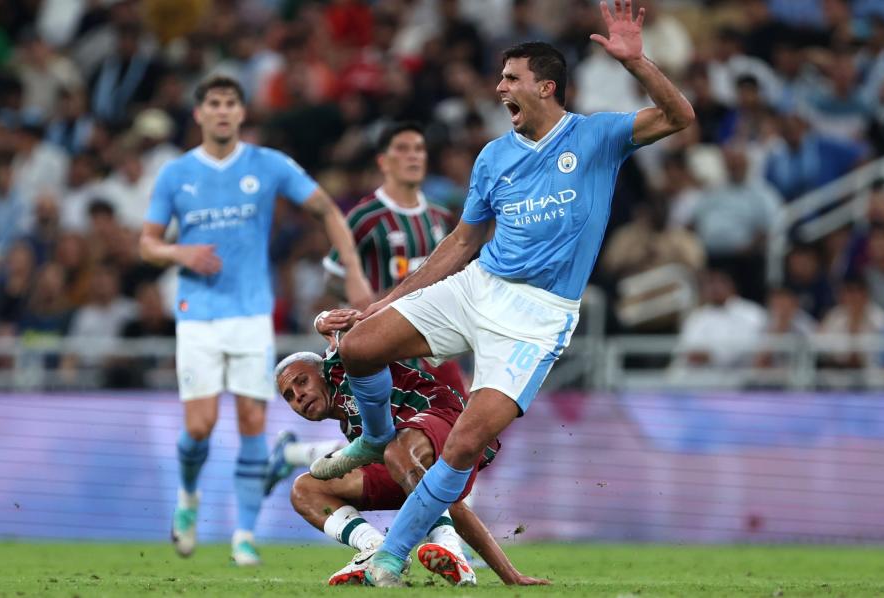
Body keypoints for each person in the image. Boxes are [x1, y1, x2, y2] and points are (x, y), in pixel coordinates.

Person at [310, 1, 695, 586]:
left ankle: (389, 558)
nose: (499, 88)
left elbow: (679, 115)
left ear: (546, 86)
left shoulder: (596, 137)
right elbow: (462, 240)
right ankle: (376, 439)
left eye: (511, 79)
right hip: (479, 284)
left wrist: (637, 62)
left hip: (537, 318)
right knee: (358, 347)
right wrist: (382, 304)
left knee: (463, 443)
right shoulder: (494, 157)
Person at [138, 74, 372, 566]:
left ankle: (243, 535)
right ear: (199, 114)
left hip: (250, 316)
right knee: (199, 426)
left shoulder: (267, 165)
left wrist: (352, 270)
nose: (222, 112)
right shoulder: (176, 173)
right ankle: (187, 497)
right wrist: (181, 251)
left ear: (242, 113)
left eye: (231, 104)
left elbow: (326, 209)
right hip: (198, 314)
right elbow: (147, 243)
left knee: (251, 424)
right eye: (213, 104)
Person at [267, 309, 546, 587]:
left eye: (302, 381)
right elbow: (449, 503)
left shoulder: (338, 365)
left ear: (322, 373)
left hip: (444, 415)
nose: (299, 395)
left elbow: (361, 327)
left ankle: (443, 546)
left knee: (398, 452)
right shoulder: (351, 426)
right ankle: (375, 549)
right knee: (306, 489)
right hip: (407, 457)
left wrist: (322, 319)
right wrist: (511, 577)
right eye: (289, 396)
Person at [321, 120, 467, 394]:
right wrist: (370, 302)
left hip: (433, 350)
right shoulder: (365, 217)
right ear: (383, 161)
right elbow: (332, 276)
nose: (413, 155)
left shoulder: (440, 215)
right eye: (402, 149)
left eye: (419, 149)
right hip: (384, 354)